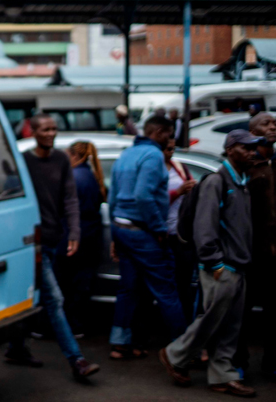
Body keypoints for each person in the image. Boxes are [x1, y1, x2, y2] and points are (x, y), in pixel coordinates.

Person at [160, 129, 263, 397]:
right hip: (222, 267)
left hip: (238, 266)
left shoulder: (241, 182)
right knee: (211, 321)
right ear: (230, 150)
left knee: (230, 326)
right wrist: (215, 263)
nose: (252, 152)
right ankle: (175, 354)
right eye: (245, 148)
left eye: (253, 148)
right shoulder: (217, 182)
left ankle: (222, 376)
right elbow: (204, 228)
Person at [5, 114, 101, 381]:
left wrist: (75, 231)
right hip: (29, 243)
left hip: (51, 241)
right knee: (55, 300)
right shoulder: (24, 162)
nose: (51, 133)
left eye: (54, 129)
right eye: (45, 129)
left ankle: (15, 348)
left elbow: (70, 199)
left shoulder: (61, 160)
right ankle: (77, 360)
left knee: (32, 297)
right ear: (33, 132)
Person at [109, 115, 187, 358]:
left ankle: (120, 343)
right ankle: (184, 350)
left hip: (122, 228)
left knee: (128, 289)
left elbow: (112, 196)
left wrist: (114, 233)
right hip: (143, 231)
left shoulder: (126, 154)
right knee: (167, 291)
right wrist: (159, 229)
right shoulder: (153, 155)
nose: (170, 140)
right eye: (169, 134)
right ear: (160, 132)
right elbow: (143, 196)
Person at [233, 112, 276, 378]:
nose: (272, 127)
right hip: (249, 253)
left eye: (274, 124)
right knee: (242, 312)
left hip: (274, 255)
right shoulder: (247, 168)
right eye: (266, 124)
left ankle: (271, 362)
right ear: (253, 132)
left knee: (273, 312)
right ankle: (239, 362)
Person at [59, 141, 106, 337]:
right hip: (91, 234)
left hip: (75, 236)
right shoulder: (90, 176)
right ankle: (77, 324)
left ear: (75, 156)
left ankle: (70, 324)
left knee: (69, 281)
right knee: (82, 281)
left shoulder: (75, 178)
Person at [163, 138, 198, 322]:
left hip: (181, 234)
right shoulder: (153, 169)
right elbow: (151, 201)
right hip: (162, 235)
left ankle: (184, 325)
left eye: (173, 149)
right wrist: (177, 192)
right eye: (167, 149)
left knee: (183, 283)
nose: (170, 153)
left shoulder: (179, 166)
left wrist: (191, 188)